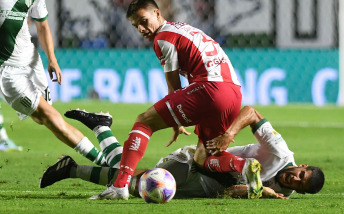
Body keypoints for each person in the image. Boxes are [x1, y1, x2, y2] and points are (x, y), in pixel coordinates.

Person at [93, 0, 254, 200]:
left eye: (144, 22)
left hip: (210, 89)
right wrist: (178, 119)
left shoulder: (163, 39)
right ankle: (243, 165)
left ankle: (119, 186)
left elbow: (174, 88)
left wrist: (175, 121)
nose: (142, 29)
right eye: (136, 26)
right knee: (203, 156)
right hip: (233, 92)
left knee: (144, 122)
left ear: (157, 13)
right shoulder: (182, 28)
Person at [40, 106, 325, 199]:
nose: (294, 179)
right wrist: (230, 134)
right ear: (304, 165)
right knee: (131, 181)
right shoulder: (279, 151)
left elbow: (234, 192)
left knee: (132, 181)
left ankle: (101, 129)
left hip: (207, 187)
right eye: (301, 174)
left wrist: (256, 191)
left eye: (299, 184)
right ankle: (72, 168)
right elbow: (250, 112)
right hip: (197, 161)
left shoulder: (283, 194)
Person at [0, 0, 120, 167]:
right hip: (8, 71)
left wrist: (52, 59)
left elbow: (42, 26)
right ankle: (104, 161)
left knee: (42, 117)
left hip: (32, 60)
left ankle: (100, 125)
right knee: (49, 117)